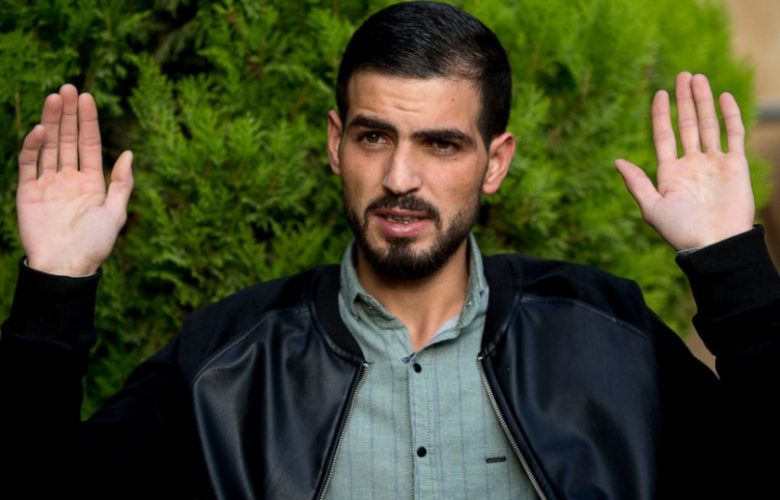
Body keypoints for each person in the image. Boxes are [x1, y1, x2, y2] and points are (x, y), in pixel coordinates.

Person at [1, 2, 778, 499]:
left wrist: (729, 264)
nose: (401, 178)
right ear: (336, 144)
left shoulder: (607, 332)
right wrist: (55, 288)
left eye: (441, 144)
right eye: (375, 137)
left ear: (496, 162)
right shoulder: (226, 360)